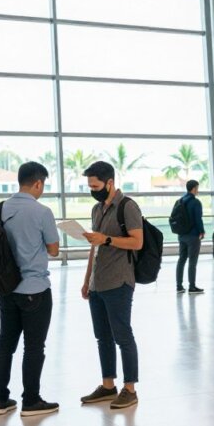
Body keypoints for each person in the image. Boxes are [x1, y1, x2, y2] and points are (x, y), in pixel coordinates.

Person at [0, 162, 60, 417]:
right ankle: (31, 400)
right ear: (38, 183)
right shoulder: (42, 212)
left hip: (6, 290)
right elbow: (53, 249)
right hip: (35, 289)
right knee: (33, 347)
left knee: (5, 343)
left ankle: (0, 399)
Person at [79, 161, 144, 410]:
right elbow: (94, 248)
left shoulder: (128, 207)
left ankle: (130, 389)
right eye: (89, 186)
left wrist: (106, 239)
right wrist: (87, 281)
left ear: (109, 183)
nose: (92, 190)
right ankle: (108, 386)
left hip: (119, 281)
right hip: (98, 283)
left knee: (122, 335)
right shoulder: (97, 209)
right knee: (102, 337)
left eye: (95, 186)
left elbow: (137, 242)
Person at [175, 179, 205, 295]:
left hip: (181, 235)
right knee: (192, 261)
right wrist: (202, 231)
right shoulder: (195, 202)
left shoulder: (180, 200)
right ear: (194, 188)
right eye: (197, 188)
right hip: (193, 236)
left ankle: (179, 286)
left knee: (181, 259)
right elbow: (198, 219)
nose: (198, 191)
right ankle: (192, 287)